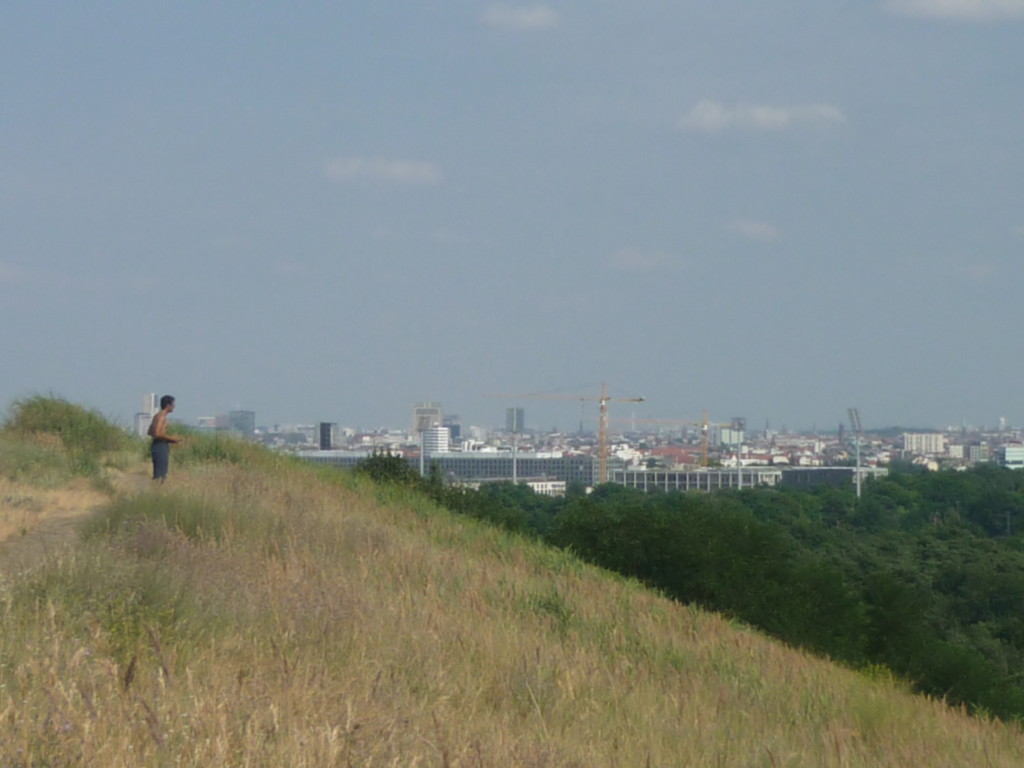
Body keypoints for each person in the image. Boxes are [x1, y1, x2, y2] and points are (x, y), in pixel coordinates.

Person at [148, 395, 180, 482]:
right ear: (168, 405)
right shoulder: (161, 417)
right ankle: (157, 491)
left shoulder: (157, 416)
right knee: (161, 474)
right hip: (160, 445)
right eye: (172, 404)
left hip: (157, 445)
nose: (174, 406)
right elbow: (157, 433)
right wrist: (171, 438)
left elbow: (150, 431)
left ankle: (156, 490)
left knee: (159, 471)